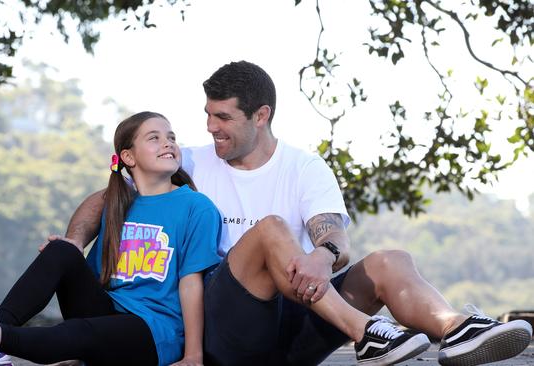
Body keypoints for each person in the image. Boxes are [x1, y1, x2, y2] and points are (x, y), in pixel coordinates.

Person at [56, 61, 533, 366]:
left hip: (299, 317)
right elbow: (108, 196)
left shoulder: (305, 167)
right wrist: (74, 243)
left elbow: (335, 236)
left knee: (390, 259)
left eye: (223, 117)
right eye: (207, 115)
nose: (208, 127)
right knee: (270, 230)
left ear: (260, 116)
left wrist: (323, 258)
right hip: (227, 325)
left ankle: (457, 329)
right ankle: (368, 334)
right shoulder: (193, 161)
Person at [0, 111, 222, 366]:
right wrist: (64, 263)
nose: (168, 142)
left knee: (84, 332)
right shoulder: (119, 207)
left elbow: (191, 283)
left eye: (171, 137)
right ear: (128, 157)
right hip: (109, 314)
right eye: (154, 138)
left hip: (154, 331)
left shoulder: (196, 207)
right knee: (62, 249)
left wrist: (193, 357)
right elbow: (98, 277)